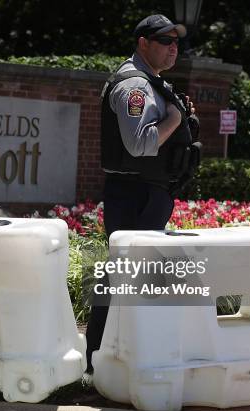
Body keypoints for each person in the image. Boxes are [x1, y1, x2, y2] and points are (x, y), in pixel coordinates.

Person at [85, 14, 201, 373]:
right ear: (143, 43)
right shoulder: (134, 87)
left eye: (176, 42)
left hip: (148, 193)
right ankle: (96, 362)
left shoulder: (154, 83)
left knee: (135, 276)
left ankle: (124, 357)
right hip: (135, 196)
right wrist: (175, 120)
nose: (173, 48)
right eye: (164, 41)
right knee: (122, 275)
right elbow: (140, 144)